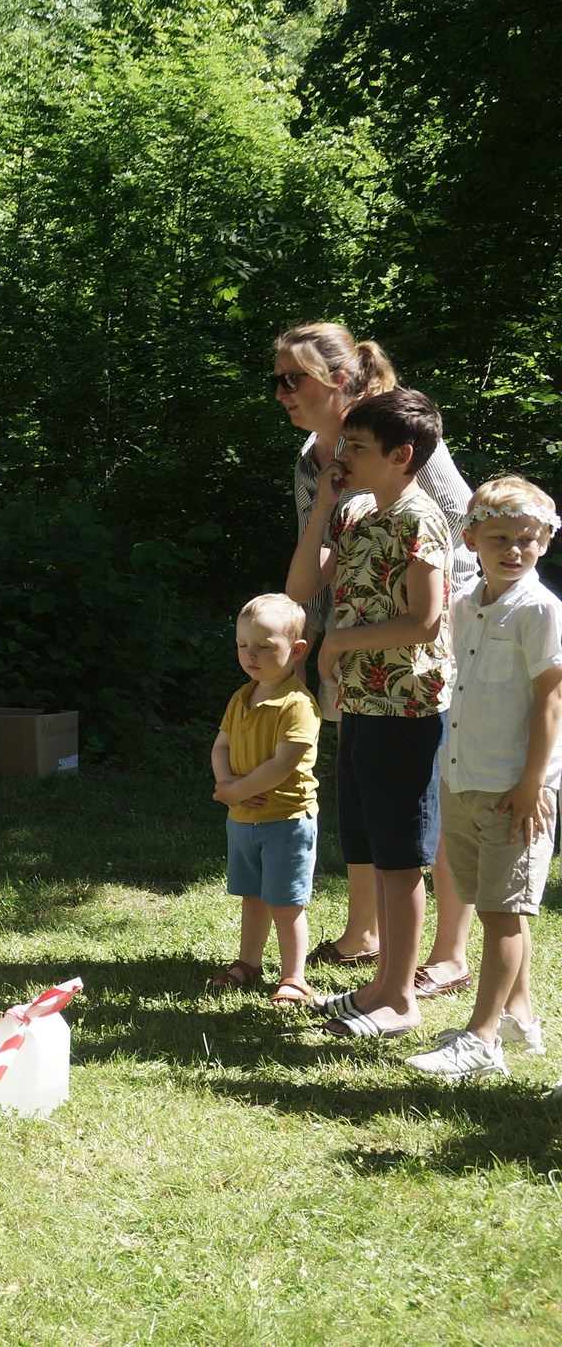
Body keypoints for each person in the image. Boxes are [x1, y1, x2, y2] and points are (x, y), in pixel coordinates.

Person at [272, 322, 478, 993]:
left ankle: (445, 954)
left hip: (438, 640)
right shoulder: (315, 459)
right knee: (368, 792)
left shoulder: (396, 436)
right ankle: (367, 933)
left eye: (291, 378)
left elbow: (465, 533)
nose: (281, 393)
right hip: (359, 642)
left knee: (429, 792)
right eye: (277, 380)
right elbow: (313, 573)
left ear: (338, 379)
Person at [285, 389, 453, 1038]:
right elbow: (303, 586)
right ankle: (380, 985)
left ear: (400, 455)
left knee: (401, 853)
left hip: (405, 707)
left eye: (357, 447)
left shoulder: (420, 518)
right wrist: (324, 504)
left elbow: (423, 619)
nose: (343, 454)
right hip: (359, 704)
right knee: (372, 844)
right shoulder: (355, 511)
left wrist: (339, 642)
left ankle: (401, 999)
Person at [405, 477, 562, 1077]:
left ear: (546, 542)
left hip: (514, 792)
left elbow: (551, 700)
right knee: (493, 904)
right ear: (470, 539)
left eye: (528, 539)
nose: (514, 550)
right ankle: (519, 1016)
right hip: (464, 777)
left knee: (502, 912)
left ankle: (483, 1038)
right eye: (499, 537)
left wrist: (532, 784)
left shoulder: (539, 609)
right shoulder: (467, 600)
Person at [207, 594, 321, 1006]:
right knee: (252, 896)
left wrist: (237, 790)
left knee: (285, 902)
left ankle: (294, 977)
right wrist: (225, 782)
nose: (250, 654)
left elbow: (283, 764)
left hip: (285, 820)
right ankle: (248, 963)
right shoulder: (242, 696)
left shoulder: (298, 704)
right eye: (242, 645)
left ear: (297, 650)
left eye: (264, 645)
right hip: (242, 819)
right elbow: (221, 745)